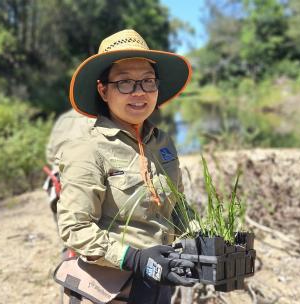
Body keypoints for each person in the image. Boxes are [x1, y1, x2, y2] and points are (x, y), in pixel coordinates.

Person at [55, 29, 195, 303]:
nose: (139, 93)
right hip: (111, 291)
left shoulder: (162, 142)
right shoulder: (87, 148)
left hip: (159, 284)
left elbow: (177, 208)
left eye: (147, 81)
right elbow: (75, 228)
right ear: (103, 90)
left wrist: (203, 237)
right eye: (125, 83)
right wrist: (134, 258)